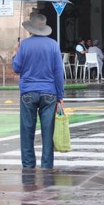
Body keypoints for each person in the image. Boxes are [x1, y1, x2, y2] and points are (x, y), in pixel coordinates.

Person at [12, 12, 64, 170]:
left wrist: (16, 52)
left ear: (31, 28)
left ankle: (28, 165)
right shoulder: (53, 44)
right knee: (48, 131)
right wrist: (60, 96)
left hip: (28, 91)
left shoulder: (25, 45)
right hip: (49, 92)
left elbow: (16, 68)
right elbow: (58, 72)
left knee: (27, 130)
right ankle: (47, 165)